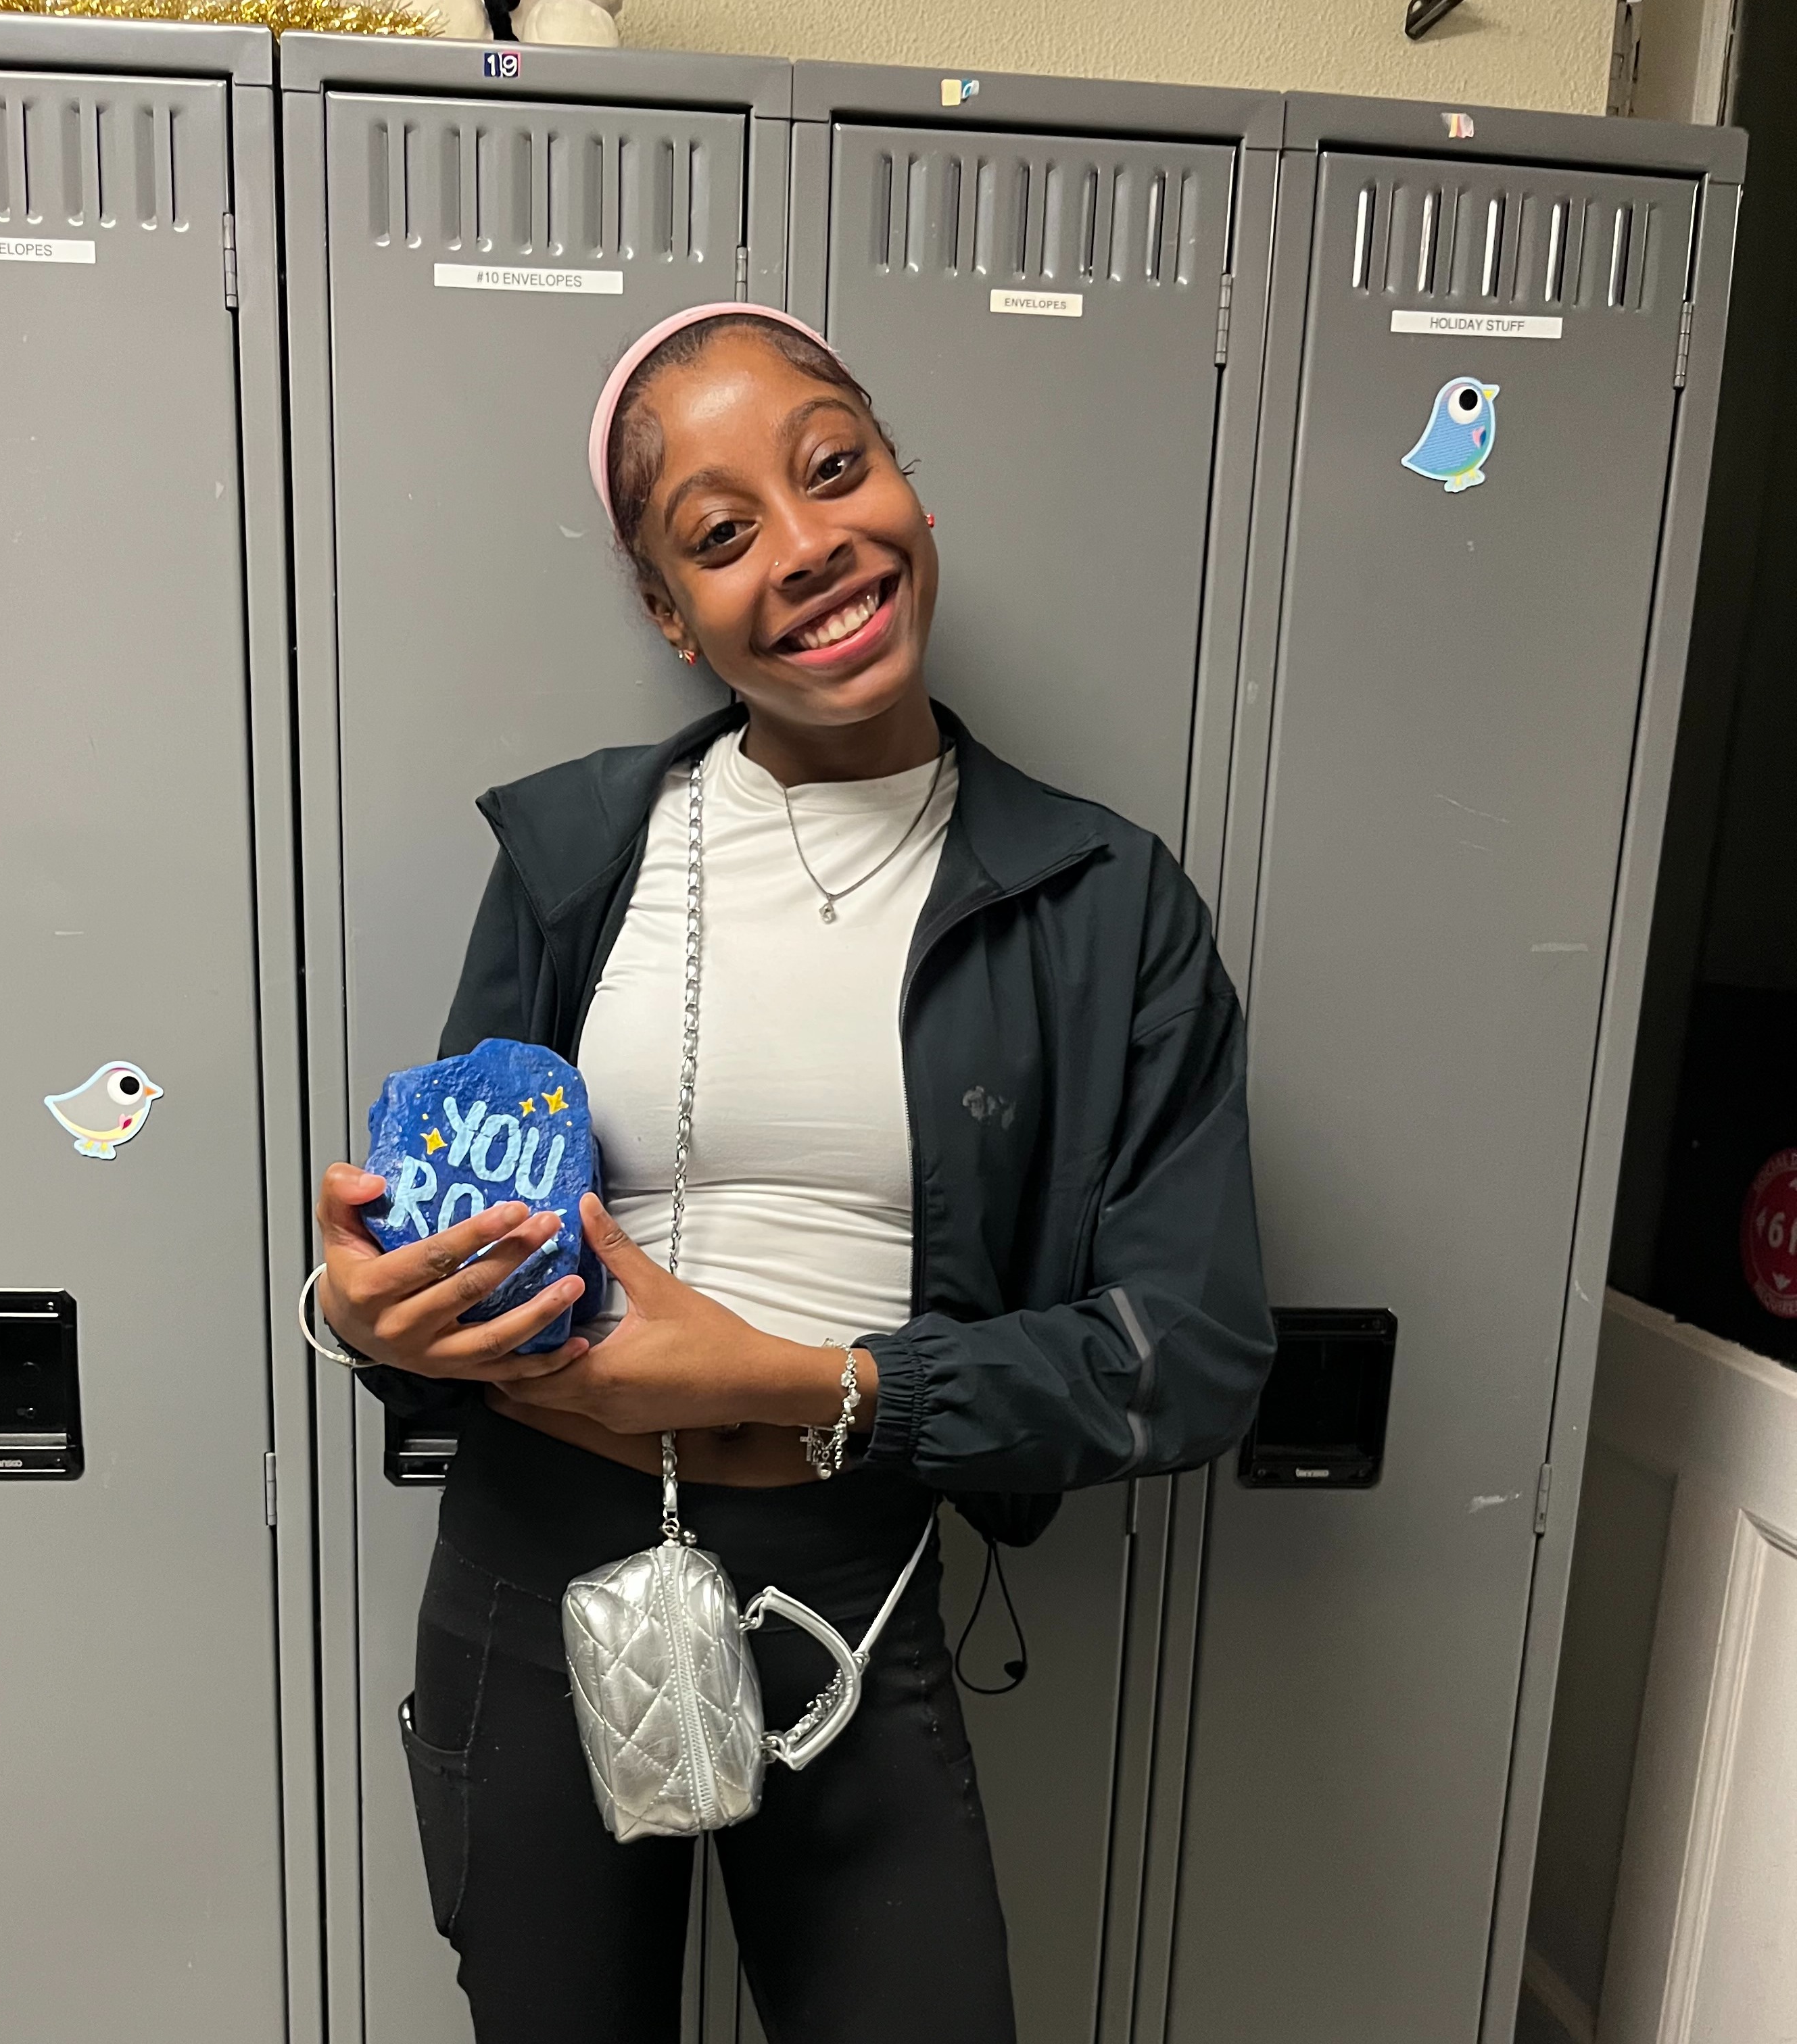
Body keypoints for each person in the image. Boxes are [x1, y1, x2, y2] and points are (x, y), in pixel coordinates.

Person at [312, 303, 1274, 2043]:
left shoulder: (1105, 906)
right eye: (721, 531)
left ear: (903, 483)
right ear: (670, 615)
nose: (812, 545)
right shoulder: (575, 856)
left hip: (851, 1588)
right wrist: (357, 1306)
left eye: (837, 468)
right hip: (540, 1582)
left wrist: (799, 1380)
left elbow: (1189, 1357)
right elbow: (430, 1225)